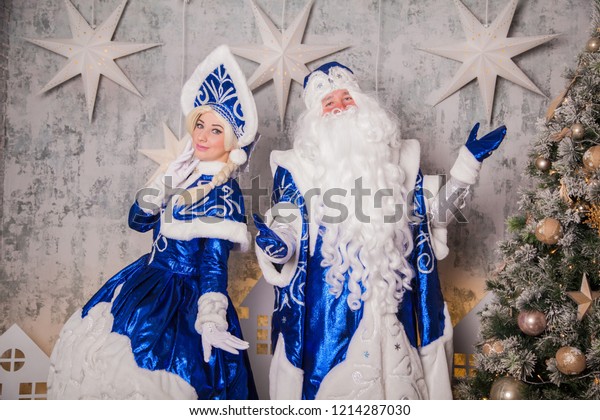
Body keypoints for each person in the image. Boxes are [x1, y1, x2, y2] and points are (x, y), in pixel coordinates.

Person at [253, 62, 506, 399]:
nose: (341, 107)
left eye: (346, 98)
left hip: (395, 305)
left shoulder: (401, 163)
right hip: (327, 317)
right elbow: (285, 229)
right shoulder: (294, 169)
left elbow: (436, 216)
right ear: (316, 118)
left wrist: (467, 165)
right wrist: (276, 246)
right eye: (329, 103)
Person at [47, 45, 259, 400]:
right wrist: (163, 182)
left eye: (216, 130)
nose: (203, 136)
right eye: (200, 125)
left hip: (184, 298)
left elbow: (212, 263)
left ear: (233, 143)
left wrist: (209, 318)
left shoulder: (225, 194)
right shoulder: (182, 174)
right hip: (145, 280)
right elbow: (138, 222)